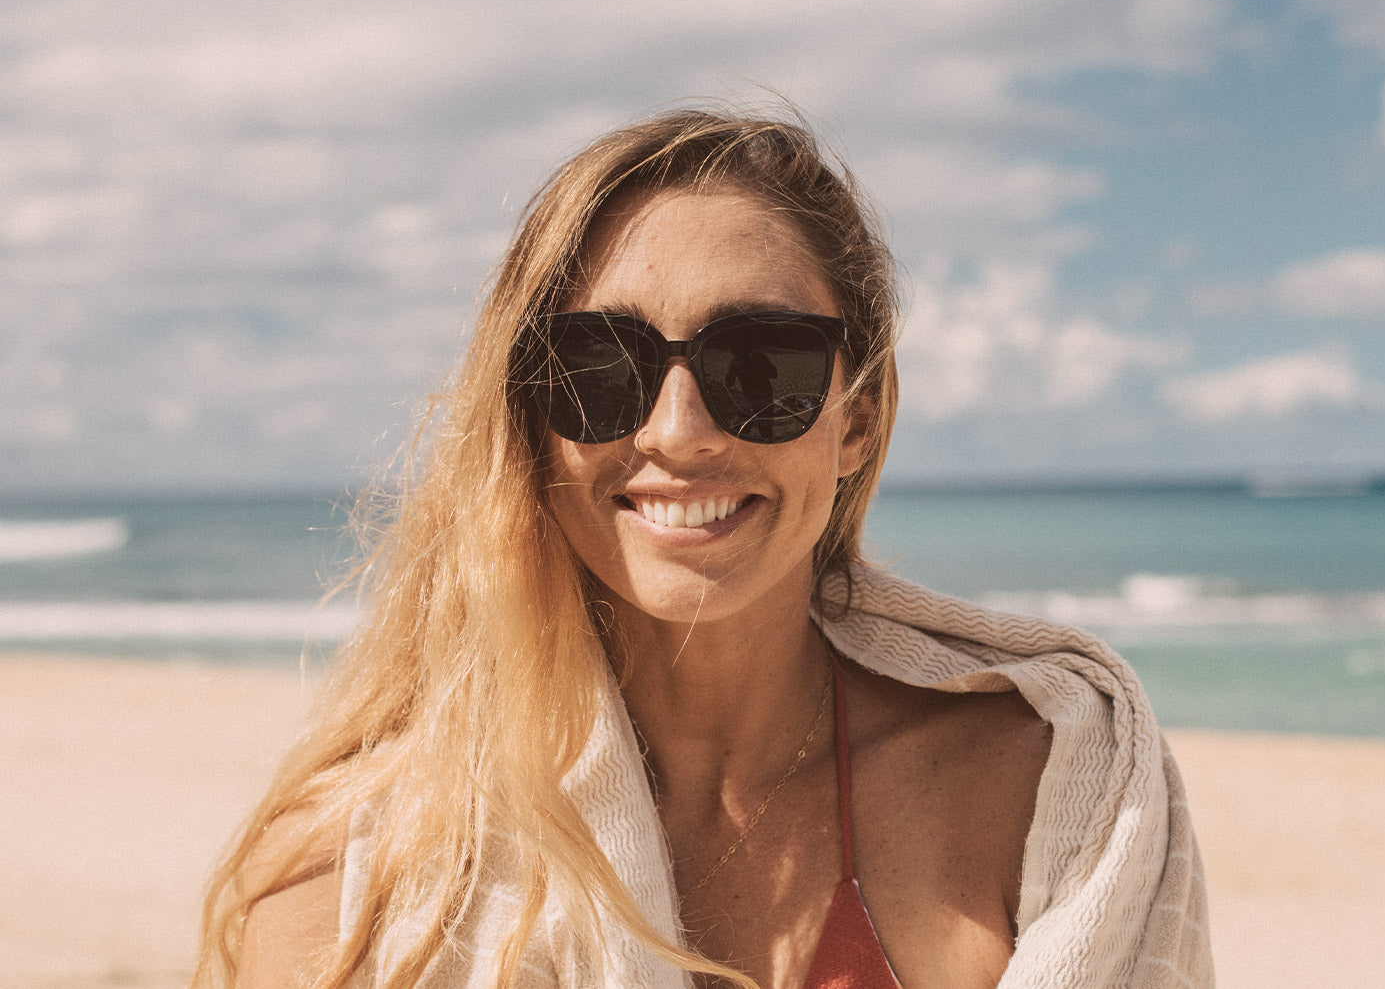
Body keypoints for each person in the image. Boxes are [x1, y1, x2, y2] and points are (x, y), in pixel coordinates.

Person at [196, 110, 1212, 989]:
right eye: (600, 364)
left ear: (853, 416)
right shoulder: (359, 877)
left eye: (759, 361)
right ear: (529, 416)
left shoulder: (1047, 781)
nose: (678, 431)